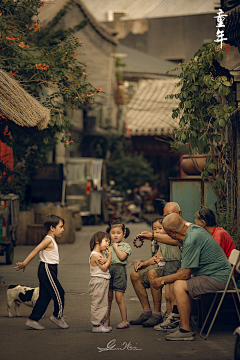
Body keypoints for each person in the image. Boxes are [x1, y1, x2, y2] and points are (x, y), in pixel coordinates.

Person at [152, 213, 233, 341]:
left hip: (219, 278)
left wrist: (161, 280)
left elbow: (185, 274)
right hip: (219, 275)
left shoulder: (190, 240)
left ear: (173, 232)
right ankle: (185, 324)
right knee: (182, 281)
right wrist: (153, 236)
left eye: (167, 232)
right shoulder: (194, 229)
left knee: (179, 284)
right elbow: (177, 244)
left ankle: (185, 330)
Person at [14, 214, 68, 330]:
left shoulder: (51, 239)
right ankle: (57, 316)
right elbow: (35, 250)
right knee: (59, 293)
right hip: (47, 269)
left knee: (45, 296)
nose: (63, 229)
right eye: (61, 226)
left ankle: (33, 320)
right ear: (52, 228)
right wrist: (25, 263)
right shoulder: (48, 239)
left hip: (50, 269)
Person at [130, 217, 181, 328]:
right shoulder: (160, 240)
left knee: (152, 273)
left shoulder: (174, 237)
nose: (157, 231)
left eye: (160, 228)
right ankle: (147, 312)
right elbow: (157, 256)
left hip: (171, 267)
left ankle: (157, 314)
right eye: (154, 229)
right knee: (134, 275)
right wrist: (143, 263)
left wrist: (161, 259)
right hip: (161, 265)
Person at [104, 220, 132, 329]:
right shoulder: (106, 245)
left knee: (119, 298)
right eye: (113, 233)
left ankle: (124, 321)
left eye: (118, 232)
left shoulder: (125, 246)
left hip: (119, 272)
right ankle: (106, 320)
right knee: (108, 298)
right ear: (109, 234)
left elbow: (122, 257)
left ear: (124, 234)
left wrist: (115, 247)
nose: (116, 235)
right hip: (108, 271)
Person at [89, 231, 112, 333]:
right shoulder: (95, 255)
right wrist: (110, 257)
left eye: (109, 242)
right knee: (97, 302)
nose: (108, 244)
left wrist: (107, 260)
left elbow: (108, 266)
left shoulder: (101, 254)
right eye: (106, 241)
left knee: (103, 302)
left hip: (103, 280)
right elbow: (104, 267)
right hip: (98, 281)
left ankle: (101, 323)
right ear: (97, 241)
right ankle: (96, 325)